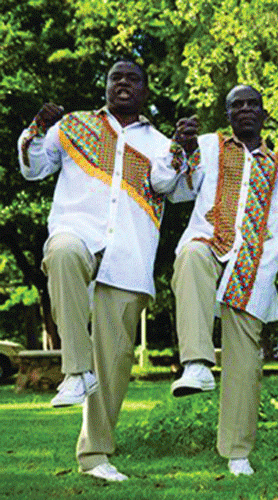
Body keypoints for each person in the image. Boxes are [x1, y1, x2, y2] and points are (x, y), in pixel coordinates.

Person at [151, 85, 278, 476]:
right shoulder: (210, 147)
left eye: (252, 105)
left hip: (254, 264)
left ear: (265, 114)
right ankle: (196, 363)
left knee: (245, 360)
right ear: (227, 113)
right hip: (209, 242)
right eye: (236, 105)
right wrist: (180, 147)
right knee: (191, 256)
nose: (245, 110)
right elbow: (173, 187)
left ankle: (237, 452)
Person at [17, 60, 174, 481]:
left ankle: (95, 457)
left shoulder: (160, 144)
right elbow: (33, 167)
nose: (122, 83)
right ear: (105, 86)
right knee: (64, 253)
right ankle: (74, 371)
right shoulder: (73, 126)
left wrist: (182, 150)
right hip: (78, 232)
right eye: (115, 77)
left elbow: (173, 188)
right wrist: (35, 128)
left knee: (116, 358)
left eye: (132, 79)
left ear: (145, 91)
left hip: (129, 253)